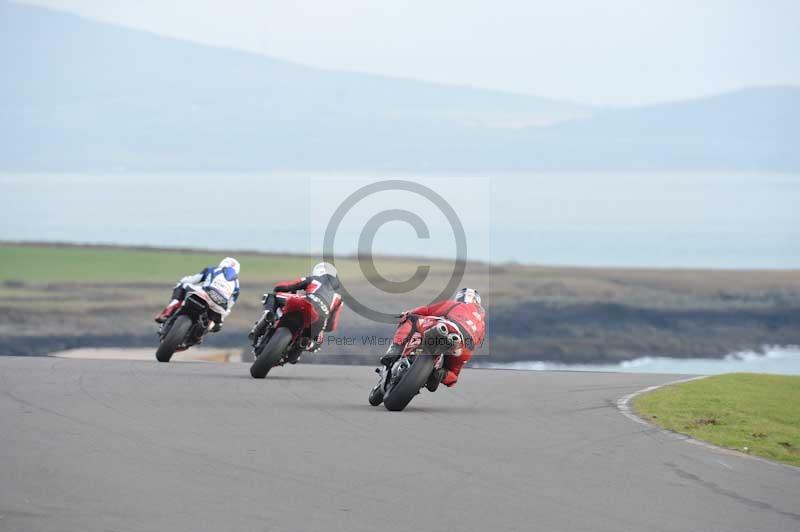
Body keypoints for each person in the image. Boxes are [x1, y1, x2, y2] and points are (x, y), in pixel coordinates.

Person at [381, 287, 485, 391]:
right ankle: (440, 374)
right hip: (465, 346)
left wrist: (407, 313)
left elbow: (427, 310)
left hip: (447, 326)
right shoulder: (481, 321)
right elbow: (479, 341)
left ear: (459, 297)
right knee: (453, 374)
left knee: (411, 318)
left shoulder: (455, 304)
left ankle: (395, 349)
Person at [248, 262, 343, 363]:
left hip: (305, 301)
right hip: (321, 318)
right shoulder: (339, 297)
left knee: (271, 296)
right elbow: (332, 326)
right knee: (318, 342)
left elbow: (285, 286)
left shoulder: (314, 279)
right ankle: (304, 345)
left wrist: (279, 288)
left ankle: (268, 315)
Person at [154, 257, 241, 332]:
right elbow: (229, 306)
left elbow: (192, 280)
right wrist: (221, 320)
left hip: (206, 293)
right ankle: (201, 334)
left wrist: (182, 280)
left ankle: (166, 313)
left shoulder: (213, 269)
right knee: (216, 325)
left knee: (182, 285)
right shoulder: (237, 285)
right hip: (219, 305)